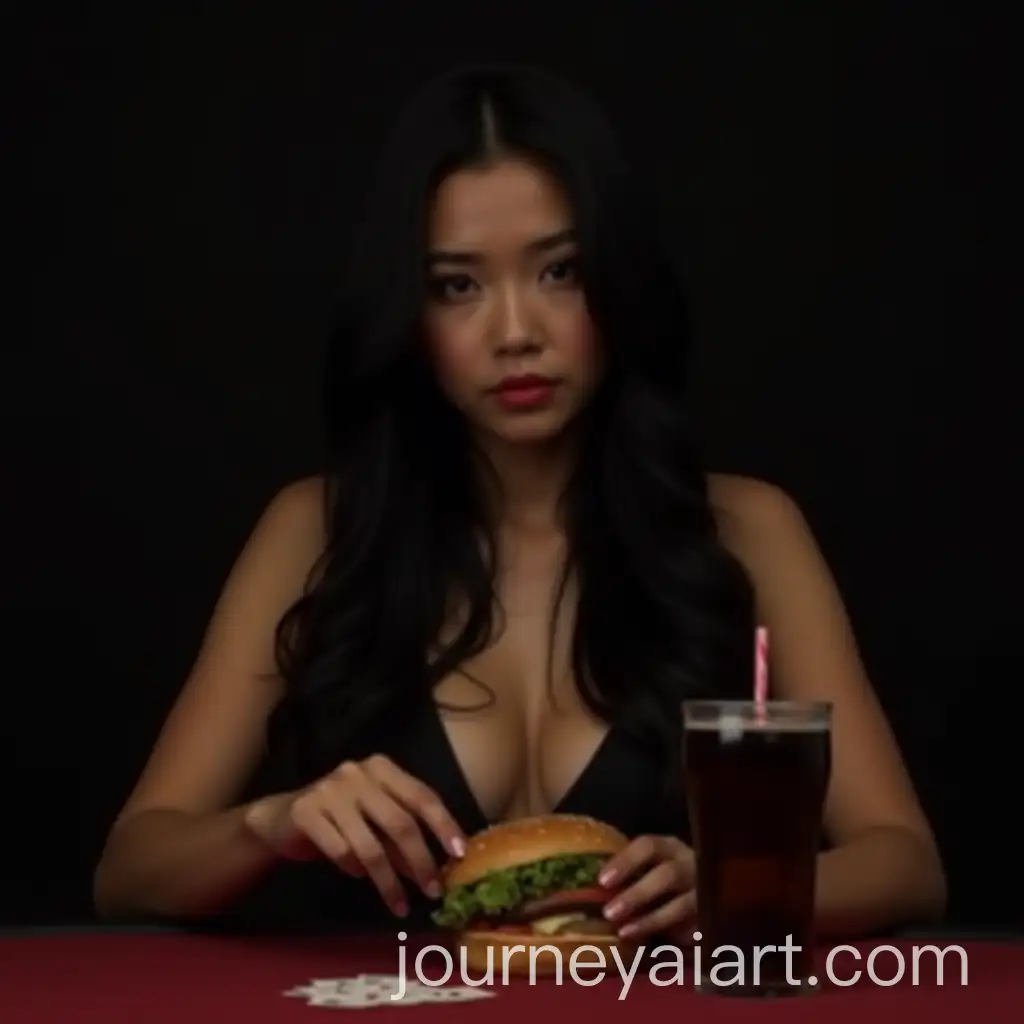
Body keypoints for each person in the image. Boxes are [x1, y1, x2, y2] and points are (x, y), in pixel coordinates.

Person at [93, 64, 946, 941]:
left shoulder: (746, 529)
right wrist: (270, 824)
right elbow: (131, 867)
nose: (515, 333)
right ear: (409, 313)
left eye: (560, 272)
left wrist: (730, 888)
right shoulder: (316, 528)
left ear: (616, 279)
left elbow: (904, 861)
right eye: (458, 286)